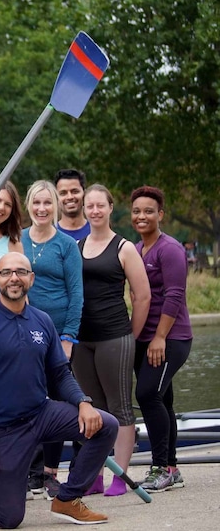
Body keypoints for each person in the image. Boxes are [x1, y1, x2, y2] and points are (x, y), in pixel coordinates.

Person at [0, 252, 118, 528]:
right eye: (6, 273)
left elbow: (60, 373)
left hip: (42, 414)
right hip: (3, 430)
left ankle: (68, 498)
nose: (14, 278)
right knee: (9, 518)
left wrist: (83, 403)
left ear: (31, 278)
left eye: (21, 272)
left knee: (106, 424)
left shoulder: (42, 321)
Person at [72, 184, 150, 497]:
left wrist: (131, 333)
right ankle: (95, 476)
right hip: (82, 339)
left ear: (109, 207)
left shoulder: (124, 247)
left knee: (119, 408)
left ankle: (122, 476)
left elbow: (142, 296)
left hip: (114, 337)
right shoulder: (76, 246)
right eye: (89, 206)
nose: (94, 211)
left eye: (99, 205)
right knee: (93, 409)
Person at [20, 180, 83, 499]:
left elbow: (77, 294)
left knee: (56, 403)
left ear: (55, 206)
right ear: (29, 205)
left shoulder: (66, 245)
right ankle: (28, 471)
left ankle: (49, 473)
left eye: (48, 203)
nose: (42, 208)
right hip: (24, 331)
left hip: (58, 334)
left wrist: (69, 337)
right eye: (36, 203)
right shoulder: (17, 240)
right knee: (28, 399)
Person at [130, 186, 192, 492]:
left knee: (147, 394)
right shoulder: (136, 248)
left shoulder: (170, 249)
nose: (142, 216)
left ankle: (159, 467)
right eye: (137, 211)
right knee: (162, 398)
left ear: (160, 215)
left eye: (149, 211)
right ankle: (172, 467)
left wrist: (159, 338)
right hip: (144, 337)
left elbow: (175, 295)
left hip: (171, 337)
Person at [54, 169, 90, 241]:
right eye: (63, 193)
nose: (69, 197)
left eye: (75, 191)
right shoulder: (49, 234)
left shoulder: (97, 231)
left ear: (85, 194)